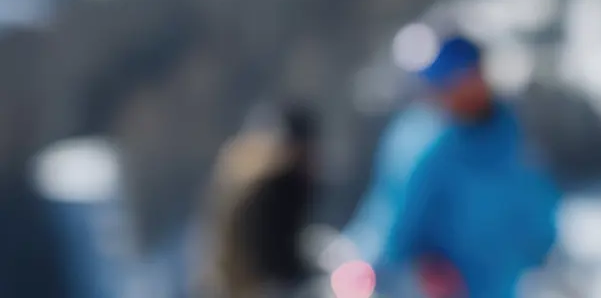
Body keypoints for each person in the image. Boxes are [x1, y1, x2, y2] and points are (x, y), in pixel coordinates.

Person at [344, 24, 559, 298]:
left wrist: (549, 262)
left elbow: (539, 214)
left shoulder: (513, 139)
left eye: (465, 77)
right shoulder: (420, 142)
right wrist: (370, 274)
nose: (457, 90)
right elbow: (390, 220)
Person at [200, 103, 322, 298]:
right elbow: (276, 254)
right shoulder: (279, 184)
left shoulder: (252, 171)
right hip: (254, 281)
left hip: (231, 280)